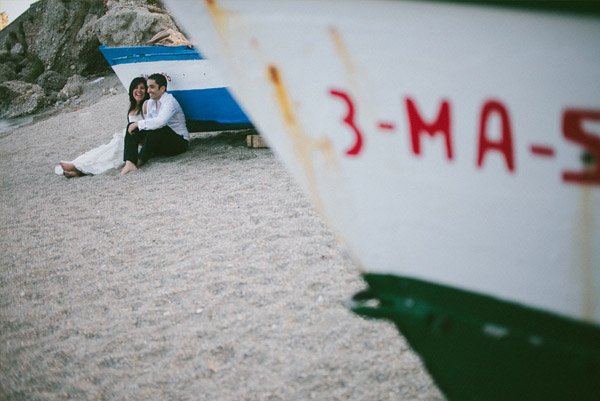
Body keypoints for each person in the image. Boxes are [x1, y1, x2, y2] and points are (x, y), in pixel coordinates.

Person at [55, 77, 149, 177]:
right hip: (125, 137)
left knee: (110, 157)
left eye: (142, 88)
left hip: (136, 142)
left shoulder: (147, 105)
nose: (139, 91)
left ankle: (78, 168)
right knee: (100, 151)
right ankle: (77, 168)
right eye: (136, 88)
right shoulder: (132, 107)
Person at [120, 73, 189, 175]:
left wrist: (138, 124)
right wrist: (135, 127)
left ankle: (139, 161)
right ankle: (130, 162)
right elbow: (149, 125)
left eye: (152, 87)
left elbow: (160, 122)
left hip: (179, 143)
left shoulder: (169, 101)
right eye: (148, 87)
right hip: (162, 144)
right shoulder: (151, 102)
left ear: (162, 89)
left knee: (157, 128)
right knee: (131, 126)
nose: (148, 91)